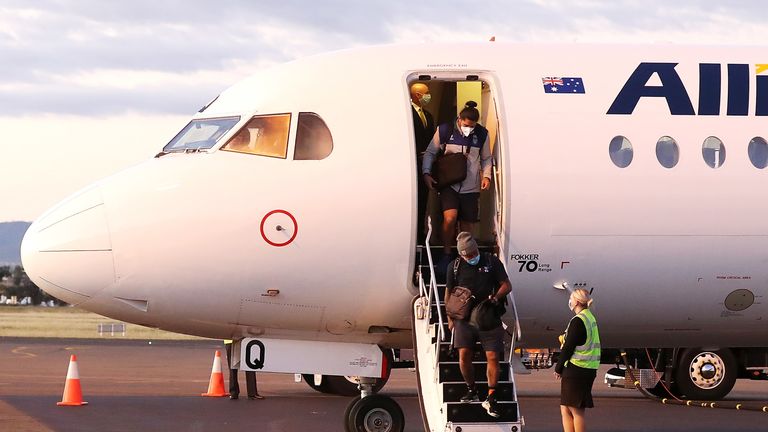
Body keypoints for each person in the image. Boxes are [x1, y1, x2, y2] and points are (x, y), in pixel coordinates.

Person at [445, 232, 511, 418]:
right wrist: (450, 318)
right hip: (464, 319)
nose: (471, 258)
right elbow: (448, 292)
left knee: (493, 357)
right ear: (461, 255)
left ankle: (491, 394)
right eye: (467, 256)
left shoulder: (491, 261)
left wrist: (496, 296)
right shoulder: (455, 267)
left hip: (488, 316)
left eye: (473, 254)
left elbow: (507, 285)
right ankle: (471, 389)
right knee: (464, 355)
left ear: (476, 249)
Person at [422, 101, 492, 265]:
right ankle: (447, 253)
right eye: (467, 125)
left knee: (467, 223)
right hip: (449, 183)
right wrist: (426, 173)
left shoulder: (482, 134)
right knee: (450, 218)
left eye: (473, 126)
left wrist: (486, 176)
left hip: (471, 185)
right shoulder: (445, 130)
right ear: (460, 119)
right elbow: (431, 152)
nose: (470, 129)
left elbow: (487, 157)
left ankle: (464, 257)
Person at [554, 289, 601, 432]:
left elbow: (568, 347)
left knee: (576, 411)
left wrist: (558, 367)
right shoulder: (589, 318)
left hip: (577, 369)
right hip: (586, 369)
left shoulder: (578, 320)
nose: (569, 301)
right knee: (566, 409)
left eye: (571, 298)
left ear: (577, 302)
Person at [410, 82, 436, 242]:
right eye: (426, 93)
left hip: (425, 164)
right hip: (412, 164)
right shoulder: (406, 114)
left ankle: (420, 236)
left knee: (422, 202)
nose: (428, 96)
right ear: (417, 95)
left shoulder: (428, 115)